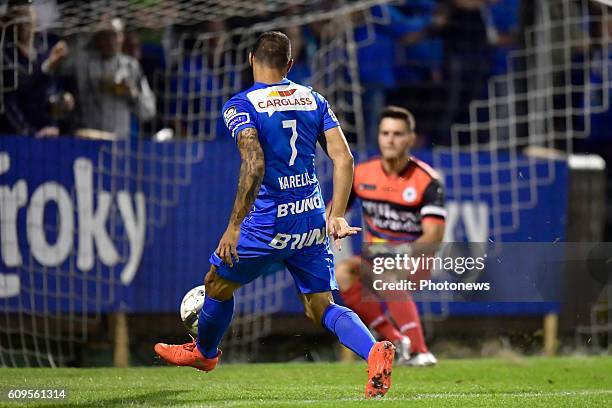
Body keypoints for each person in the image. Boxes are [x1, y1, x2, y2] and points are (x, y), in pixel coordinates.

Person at [154, 31, 395, 398]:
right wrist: (338, 214)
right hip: (312, 218)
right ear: (290, 65)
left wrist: (234, 226)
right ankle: (374, 350)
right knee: (321, 305)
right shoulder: (313, 99)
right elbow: (344, 158)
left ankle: (204, 352)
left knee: (216, 282)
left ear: (251, 58)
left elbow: (254, 164)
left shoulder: (241, 105)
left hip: (268, 222)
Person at [336, 106, 445, 366]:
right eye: (385, 133)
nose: (390, 139)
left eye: (398, 134)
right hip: (374, 259)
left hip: (416, 258)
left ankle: (420, 351)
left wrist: (398, 254)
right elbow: (335, 210)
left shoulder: (427, 180)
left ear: (410, 138)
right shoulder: (362, 174)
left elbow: (434, 236)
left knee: (387, 272)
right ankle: (396, 340)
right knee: (343, 273)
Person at [42, 17, 155, 139]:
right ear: (97, 38)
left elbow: (148, 112)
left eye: (115, 35)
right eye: (106, 36)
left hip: (118, 142)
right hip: (84, 139)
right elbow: (47, 80)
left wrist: (132, 93)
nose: (111, 41)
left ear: (122, 37)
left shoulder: (131, 66)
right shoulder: (79, 63)